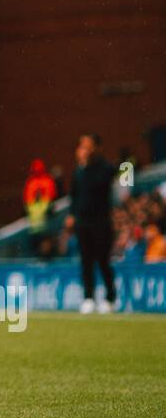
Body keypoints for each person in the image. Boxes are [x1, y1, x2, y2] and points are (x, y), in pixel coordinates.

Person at [66, 133, 117, 314]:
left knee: (103, 260)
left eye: (87, 146)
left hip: (101, 222)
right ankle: (88, 297)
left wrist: (128, 189)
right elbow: (74, 194)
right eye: (82, 146)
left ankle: (110, 298)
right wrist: (72, 214)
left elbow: (125, 169)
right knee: (86, 261)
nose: (83, 150)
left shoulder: (104, 168)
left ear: (96, 148)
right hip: (83, 223)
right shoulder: (79, 170)